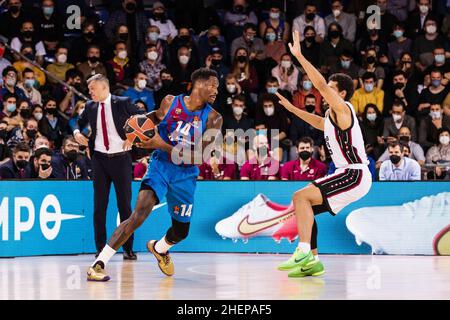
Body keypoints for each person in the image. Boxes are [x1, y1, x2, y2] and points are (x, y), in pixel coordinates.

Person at [86, 68, 222, 281]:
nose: (216, 90)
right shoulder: (170, 102)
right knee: (138, 213)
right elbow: (153, 118)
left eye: (217, 87)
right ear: (198, 85)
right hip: (160, 166)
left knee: (181, 232)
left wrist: (162, 144)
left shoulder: (214, 118)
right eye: (212, 85)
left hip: (186, 174)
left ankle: (160, 248)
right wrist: (134, 129)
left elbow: (198, 157)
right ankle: (99, 263)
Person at [274, 31, 372, 278]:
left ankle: (303, 250)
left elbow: (317, 84)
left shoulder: (344, 109)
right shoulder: (332, 117)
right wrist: (291, 108)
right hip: (350, 175)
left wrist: (299, 56)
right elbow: (318, 122)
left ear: (341, 94)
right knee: (305, 209)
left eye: (330, 88)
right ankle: (313, 261)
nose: (324, 90)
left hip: (354, 173)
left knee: (300, 196)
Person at [73, 74, 143, 262]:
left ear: (104, 88)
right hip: (99, 160)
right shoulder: (90, 106)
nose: (90, 92)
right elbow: (77, 123)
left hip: (121, 159)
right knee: (99, 207)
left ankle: (128, 249)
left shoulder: (123, 102)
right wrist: (77, 132)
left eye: (92, 89)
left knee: (124, 207)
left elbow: (144, 119)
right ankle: (101, 250)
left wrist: (132, 137)